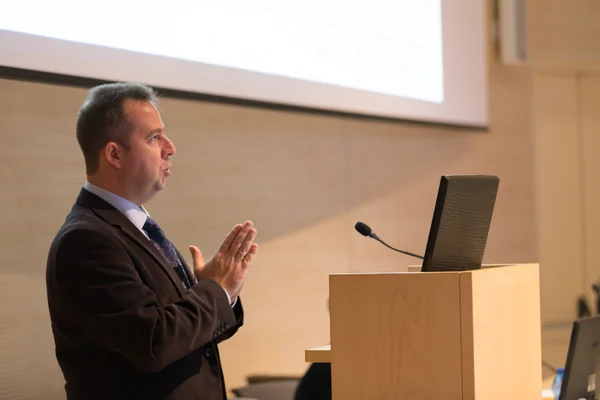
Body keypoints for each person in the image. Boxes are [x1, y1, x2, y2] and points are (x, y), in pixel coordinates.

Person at [45, 82, 258, 400]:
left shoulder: (138, 228)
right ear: (115, 154)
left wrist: (219, 292)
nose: (170, 147)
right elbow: (152, 343)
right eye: (154, 137)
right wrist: (215, 290)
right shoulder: (86, 240)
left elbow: (183, 337)